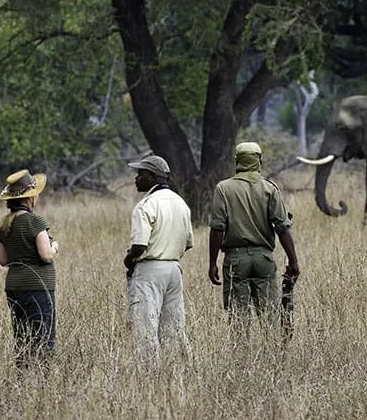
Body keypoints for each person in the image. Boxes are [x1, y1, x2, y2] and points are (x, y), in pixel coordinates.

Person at [207, 141, 301, 339]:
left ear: (237, 161)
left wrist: (212, 263)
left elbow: (217, 228)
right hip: (264, 259)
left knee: (238, 317)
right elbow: (283, 228)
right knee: (269, 317)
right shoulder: (270, 189)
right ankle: (271, 357)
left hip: (235, 259)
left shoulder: (223, 189)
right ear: (259, 160)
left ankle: (241, 359)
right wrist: (293, 261)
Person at [124, 155, 194, 365]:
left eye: (140, 174)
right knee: (174, 327)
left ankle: (148, 376)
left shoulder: (145, 205)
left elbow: (139, 246)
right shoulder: (181, 203)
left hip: (150, 270)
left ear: (153, 176)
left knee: (145, 326)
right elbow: (188, 242)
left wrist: (128, 260)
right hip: (174, 269)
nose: (136, 178)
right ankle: (179, 371)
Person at [0, 169, 60, 369]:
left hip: (14, 287)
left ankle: (23, 374)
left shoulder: (6, 223)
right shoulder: (35, 221)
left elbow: (2, 260)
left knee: (22, 336)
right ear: (29, 197)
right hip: (38, 286)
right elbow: (46, 255)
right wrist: (55, 246)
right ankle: (41, 378)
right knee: (43, 338)